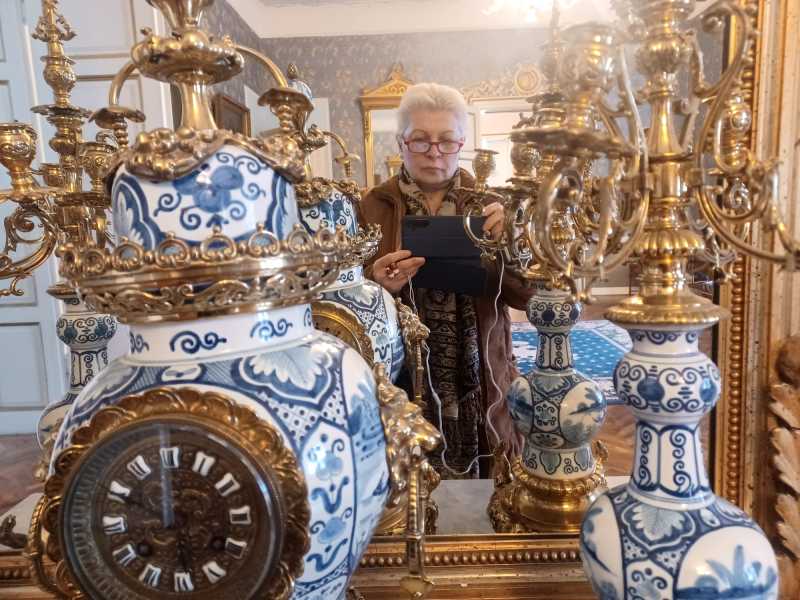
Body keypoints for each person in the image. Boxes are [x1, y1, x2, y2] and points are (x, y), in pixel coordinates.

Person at [358, 82, 533, 478]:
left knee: (486, 490)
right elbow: (343, 301)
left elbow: (528, 298)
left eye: (447, 141)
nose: (434, 152)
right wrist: (374, 284)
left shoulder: (494, 205)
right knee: (406, 486)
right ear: (402, 142)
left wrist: (515, 242)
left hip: (482, 383)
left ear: (461, 144)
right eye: (420, 140)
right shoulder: (370, 207)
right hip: (399, 381)